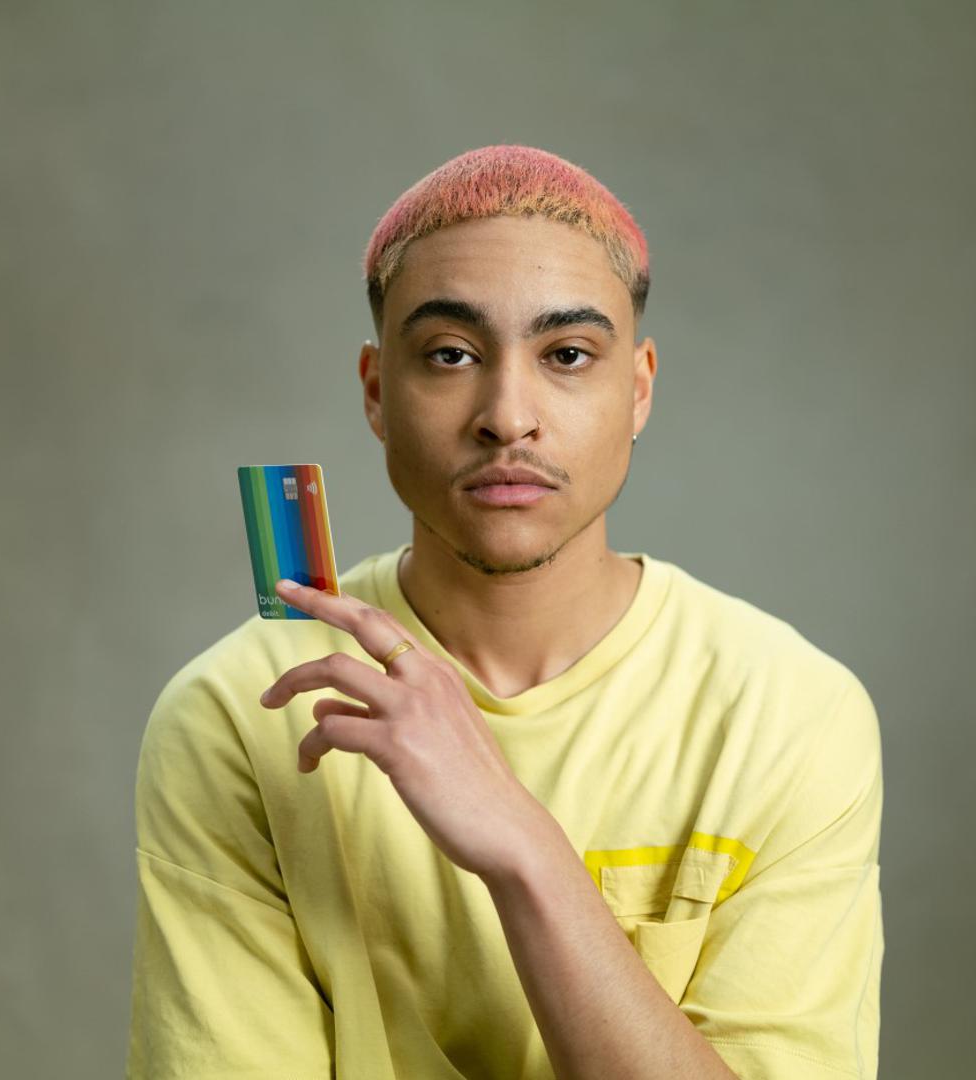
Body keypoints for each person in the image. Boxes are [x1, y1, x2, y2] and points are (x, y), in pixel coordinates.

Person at [126, 144, 884, 1079]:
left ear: (638, 389)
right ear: (377, 391)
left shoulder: (792, 714)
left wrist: (525, 851)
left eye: (567, 356)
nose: (507, 415)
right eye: (451, 355)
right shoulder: (241, 714)